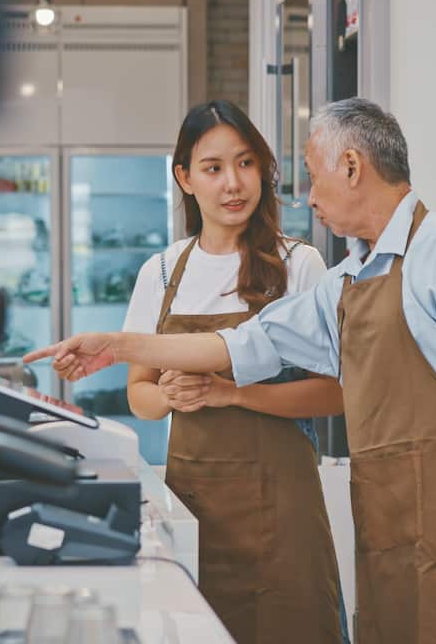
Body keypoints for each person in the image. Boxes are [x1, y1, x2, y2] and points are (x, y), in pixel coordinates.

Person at [25, 97, 436, 643]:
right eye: (214, 168)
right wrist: (118, 346)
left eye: (314, 178)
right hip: (389, 519)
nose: (309, 198)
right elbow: (244, 342)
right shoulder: (351, 276)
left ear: (353, 167)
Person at [120, 100, 347, 644]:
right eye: (213, 168)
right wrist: (172, 394)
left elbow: (336, 393)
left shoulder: (299, 263)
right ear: (185, 178)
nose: (233, 184)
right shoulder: (162, 271)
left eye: (245, 164)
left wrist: (231, 394)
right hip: (195, 510)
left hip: (282, 508)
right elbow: (139, 396)